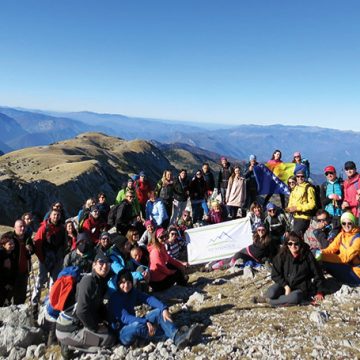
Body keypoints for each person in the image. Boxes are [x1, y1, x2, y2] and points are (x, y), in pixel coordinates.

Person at [107, 269, 201, 348]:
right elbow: (125, 318)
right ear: (118, 283)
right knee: (137, 326)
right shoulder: (115, 298)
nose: (126, 285)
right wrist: (145, 321)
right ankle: (166, 336)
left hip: (134, 323)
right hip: (122, 333)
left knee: (159, 312)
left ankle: (177, 337)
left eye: (128, 282)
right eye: (122, 283)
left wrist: (163, 308)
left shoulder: (133, 292)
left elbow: (148, 298)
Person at [56, 253, 116, 357]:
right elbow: (81, 311)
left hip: (77, 323)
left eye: (107, 263)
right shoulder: (88, 281)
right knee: (109, 339)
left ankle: (79, 341)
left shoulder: (100, 282)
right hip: (68, 328)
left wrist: (109, 320)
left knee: (111, 331)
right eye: (101, 262)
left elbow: (98, 306)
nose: (105, 266)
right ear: (94, 265)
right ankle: (68, 345)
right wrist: (95, 328)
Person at [253, 232, 325, 306]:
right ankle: (267, 298)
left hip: (301, 288)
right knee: (272, 292)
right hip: (284, 284)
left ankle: (271, 302)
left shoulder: (307, 256)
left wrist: (320, 291)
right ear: (287, 244)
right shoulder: (282, 255)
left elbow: (317, 273)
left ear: (300, 243)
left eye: (296, 243)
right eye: (290, 244)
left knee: (295, 297)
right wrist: (286, 286)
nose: (293, 246)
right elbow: (275, 274)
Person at [32, 209, 67, 314]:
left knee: (54, 282)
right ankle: (34, 304)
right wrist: (42, 259)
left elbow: (64, 244)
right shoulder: (44, 228)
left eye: (58, 215)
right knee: (40, 281)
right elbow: (37, 245)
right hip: (45, 260)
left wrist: (60, 257)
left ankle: (51, 303)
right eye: (54, 215)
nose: (56, 217)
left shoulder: (61, 228)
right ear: (50, 216)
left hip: (56, 260)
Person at [317, 212, 360, 286]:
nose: (346, 226)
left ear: (354, 223)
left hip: (356, 274)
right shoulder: (341, 235)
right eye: (344, 223)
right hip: (346, 267)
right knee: (320, 260)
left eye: (349, 223)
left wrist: (322, 257)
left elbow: (345, 258)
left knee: (324, 262)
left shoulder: (358, 239)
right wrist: (320, 253)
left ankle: (319, 286)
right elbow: (331, 249)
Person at [10, 219, 34, 304]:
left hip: (24, 270)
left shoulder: (27, 237)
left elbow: (32, 250)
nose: (23, 228)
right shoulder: (10, 238)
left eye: (24, 226)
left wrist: (30, 248)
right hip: (12, 272)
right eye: (20, 226)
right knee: (11, 294)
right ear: (15, 227)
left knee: (22, 294)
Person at [286, 169, 316, 235]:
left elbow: (312, 204)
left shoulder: (309, 188)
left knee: (295, 237)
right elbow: (291, 202)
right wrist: (288, 209)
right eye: (298, 176)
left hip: (303, 218)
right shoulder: (295, 188)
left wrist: (297, 208)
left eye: (302, 176)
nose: (300, 178)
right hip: (294, 217)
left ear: (305, 177)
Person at [0, 232, 18, 306]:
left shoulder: (12, 254)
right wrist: (5, 284)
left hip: (7, 286)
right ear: (3, 245)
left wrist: (10, 284)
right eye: (10, 244)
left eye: (13, 243)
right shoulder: (1, 255)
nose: (13, 245)